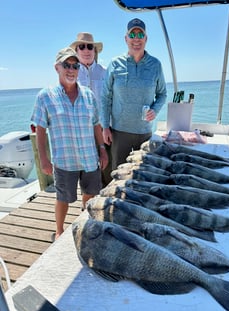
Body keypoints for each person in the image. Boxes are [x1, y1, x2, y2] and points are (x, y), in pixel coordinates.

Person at [31, 47, 108, 240]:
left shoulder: (89, 95)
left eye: (75, 65)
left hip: (90, 158)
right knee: (63, 198)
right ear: (57, 67)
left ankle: (86, 224)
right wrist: (44, 160)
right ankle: (59, 230)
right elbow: (40, 130)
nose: (71, 69)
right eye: (67, 65)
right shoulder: (45, 96)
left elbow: (96, 125)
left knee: (90, 194)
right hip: (64, 161)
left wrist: (102, 150)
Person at [101, 18, 167, 170]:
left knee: (143, 174)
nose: (136, 39)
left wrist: (155, 110)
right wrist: (105, 126)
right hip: (119, 133)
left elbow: (162, 94)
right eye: (132, 35)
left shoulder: (155, 65)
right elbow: (105, 98)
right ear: (126, 39)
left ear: (146, 38)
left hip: (145, 133)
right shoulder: (115, 63)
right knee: (118, 176)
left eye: (140, 34)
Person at [70, 32, 112, 186]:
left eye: (90, 47)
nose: (86, 50)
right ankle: (88, 204)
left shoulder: (106, 72)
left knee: (108, 170)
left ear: (95, 51)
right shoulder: (70, 73)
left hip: (104, 129)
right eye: (82, 46)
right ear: (77, 51)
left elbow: (111, 101)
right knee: (87, 174)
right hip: (81, 132)